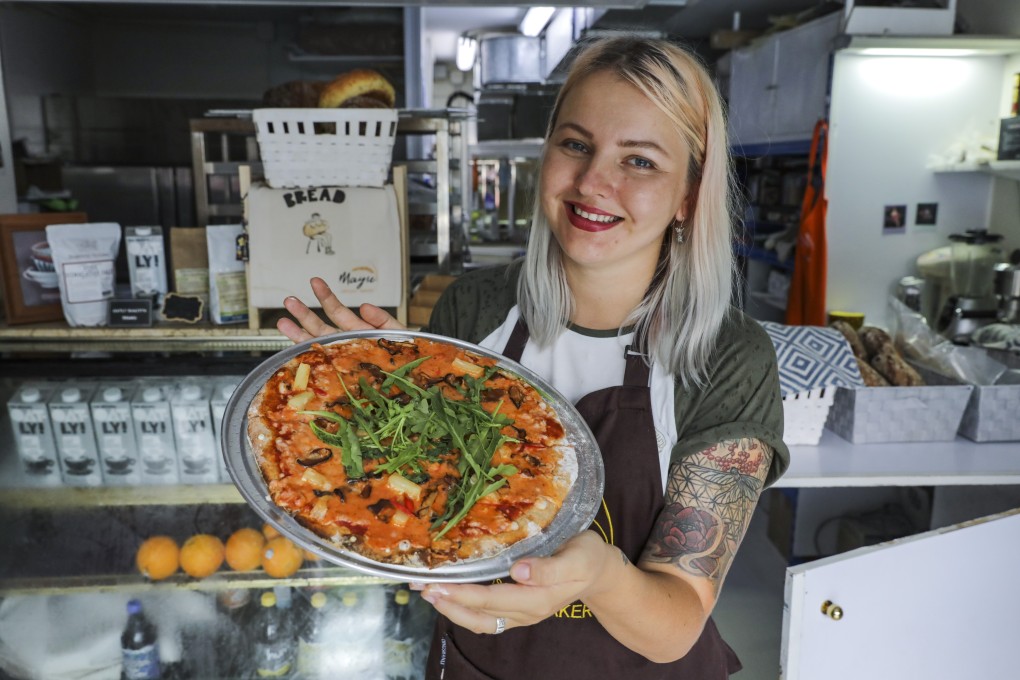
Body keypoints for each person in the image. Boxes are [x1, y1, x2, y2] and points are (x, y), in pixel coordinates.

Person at [278, 34, 789, 680]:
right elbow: (430, 506)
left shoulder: (727, 358)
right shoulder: (474, 311)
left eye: (640, 162)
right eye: (576, 145)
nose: (593, 183)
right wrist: (376, 392)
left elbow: (677, 622)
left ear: (689, 194)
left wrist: (596, 572)